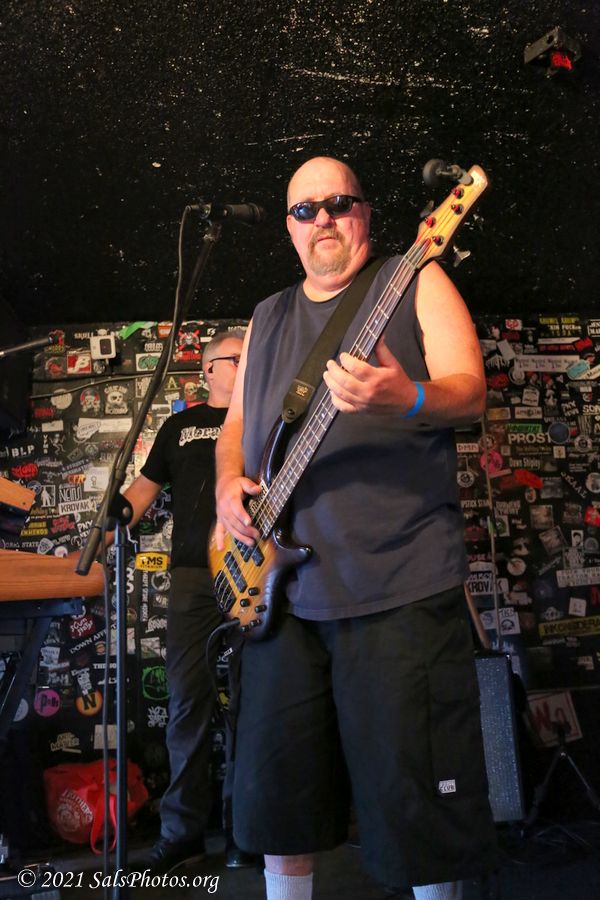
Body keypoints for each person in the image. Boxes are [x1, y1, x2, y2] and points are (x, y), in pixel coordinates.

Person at [214, 157, 498, 900]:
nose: (323, 219)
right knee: (280, 807)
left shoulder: (416, 277)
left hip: (397, 586)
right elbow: (236, 426)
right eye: (304, 210)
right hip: (279, 599)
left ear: (366, 213)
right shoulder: (267, 315)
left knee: (417, 809)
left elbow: (470, 394)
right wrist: (224, 483)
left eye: (339, 203)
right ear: (289, 228)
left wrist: (407, 399)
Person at [116, 328, 252, 873]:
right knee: (187, 703)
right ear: (209, 368)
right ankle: (182, 834)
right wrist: (99, 537)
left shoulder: (266, 417)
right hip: (195, 576)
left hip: (257, 573)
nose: (246, 364)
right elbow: (141, 492)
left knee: (254, 703)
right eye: (237, 358)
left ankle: (248, 830)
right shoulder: (179, 426)